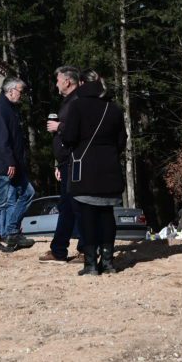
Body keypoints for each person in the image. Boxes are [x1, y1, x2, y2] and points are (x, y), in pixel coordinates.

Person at [59, 70, 126, 276]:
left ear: (81, 83)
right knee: (107, 216)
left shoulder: (77, 106)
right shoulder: (114, 109)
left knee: (87, 216)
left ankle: (90, 264)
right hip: (110, 170)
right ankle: (107, 262)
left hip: (85, 170)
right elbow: (122, 142)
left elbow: (69, 137)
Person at [39, 65, 84, 264]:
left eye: (58, 80)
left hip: (76, 161)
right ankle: (59, 250)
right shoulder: (68, 102)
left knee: (77, 205)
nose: (56, 84)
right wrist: (58, 163)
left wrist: (60, 127)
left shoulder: (77, 101)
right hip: (66, 162)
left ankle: (84, 249)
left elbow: (81, 129)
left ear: (67, 81)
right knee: (66, 205)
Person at [0, 77, 36, 252]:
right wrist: (10, 162)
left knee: (28, 193)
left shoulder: (10, 109)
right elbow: (1, 140)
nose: (21, 95)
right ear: (11, 90)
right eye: (20, 91)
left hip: (13, 163)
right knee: (0, 201)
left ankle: (12, 230)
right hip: (5, 165)